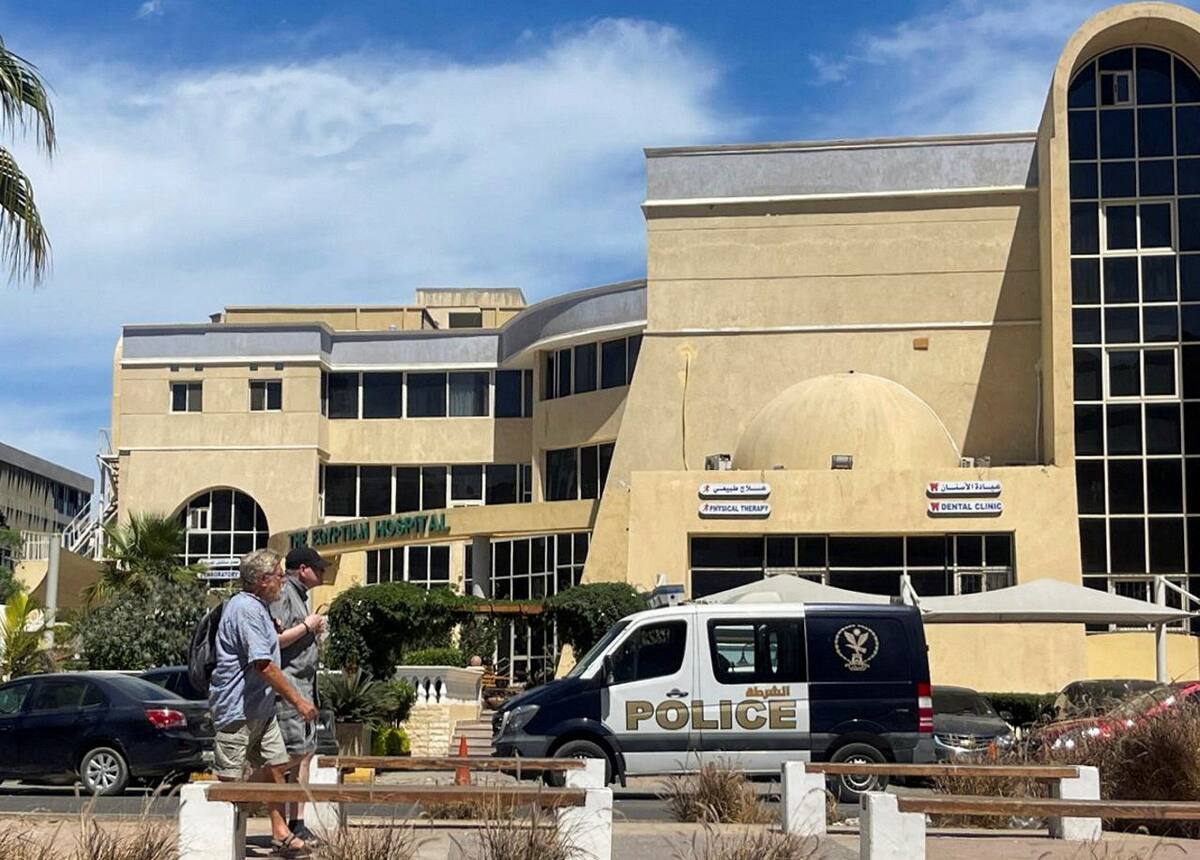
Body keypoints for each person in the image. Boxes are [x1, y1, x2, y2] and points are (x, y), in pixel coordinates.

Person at [209, 548, 318, 858]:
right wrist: (298, 702)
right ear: (260, 580)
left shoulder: (258, 608)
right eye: (279, 577)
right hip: (236, 710)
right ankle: (237, 809)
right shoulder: (245, 609)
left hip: (262, 709)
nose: (283, 582)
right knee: (229, 785)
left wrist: (274, 631)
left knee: (278, 766)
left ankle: (280, 832)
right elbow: (264, 665)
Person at [270, 547, 329, 844]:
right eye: (318, 569)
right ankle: (285, 826)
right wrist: (308, 626)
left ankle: (297, 822)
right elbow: (273, 642)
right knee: (293, 754)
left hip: (304, 684)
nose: (322, 574)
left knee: (305, 753)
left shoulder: (299, 597)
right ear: (303, 569)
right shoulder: (283, 594)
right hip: (291, 685)